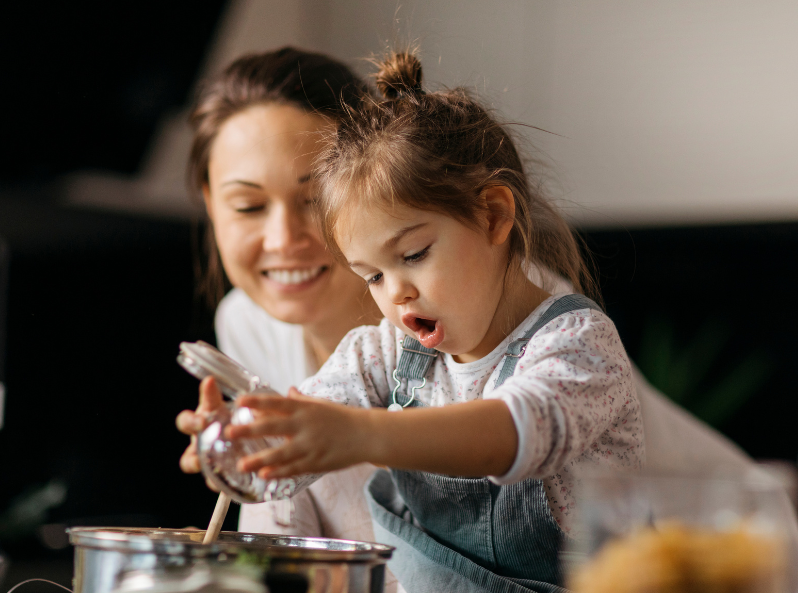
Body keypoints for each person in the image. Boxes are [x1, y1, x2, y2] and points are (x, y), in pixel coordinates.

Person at [224, 50, 644, 593]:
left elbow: (513, 434)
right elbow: (295, 445)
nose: (395, 292)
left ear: (494, 215)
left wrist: (359, 433)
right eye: (371, 276)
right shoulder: (385, 354)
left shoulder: (579, 344)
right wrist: (237, 446)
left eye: (415, 254)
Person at [174, 48, 389, 550]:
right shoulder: (247, 325)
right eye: (248, 206)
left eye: (314, 200)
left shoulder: (471, 309)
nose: (282, 238)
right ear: (211, 203)